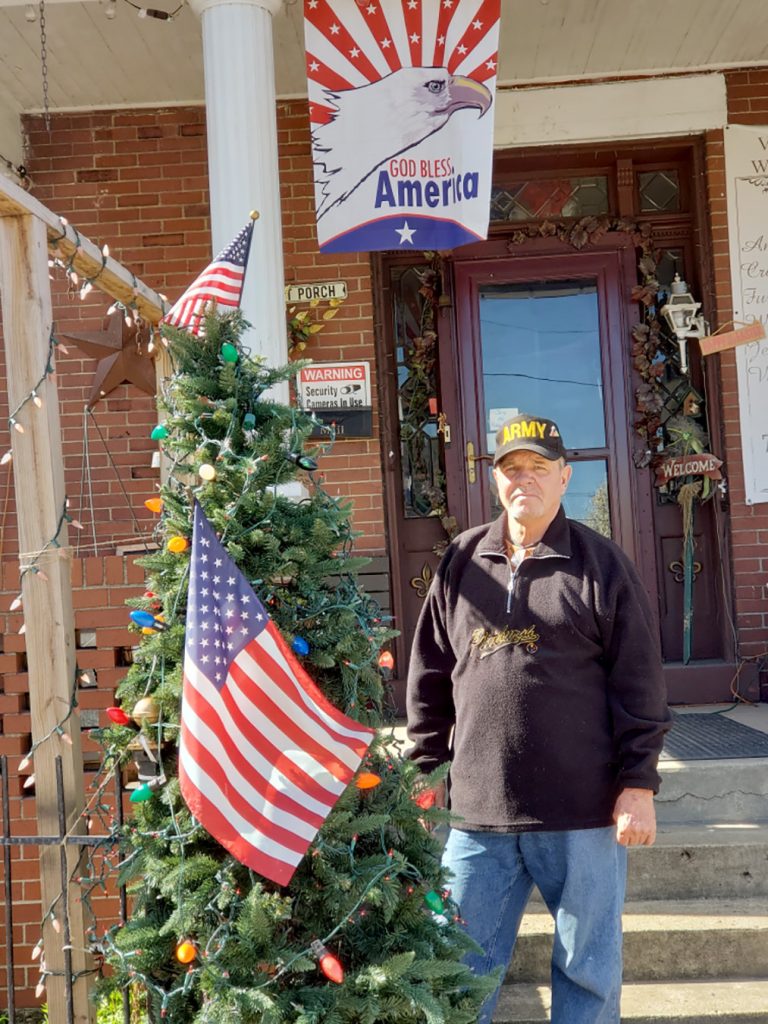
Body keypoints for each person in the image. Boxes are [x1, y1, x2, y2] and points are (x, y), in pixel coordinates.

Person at [406, 412, 670, 1024]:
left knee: (587, 973)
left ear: (565, 477)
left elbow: (640, 683)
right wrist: (424, 769)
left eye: (539, 468)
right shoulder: (461, 560)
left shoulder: (601, 566)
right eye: (511, 469)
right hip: (476, 815)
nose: (524, 479)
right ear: (496, 480)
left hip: (581, 813)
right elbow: (428, 673)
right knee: (457, 971)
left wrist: (639, 783)